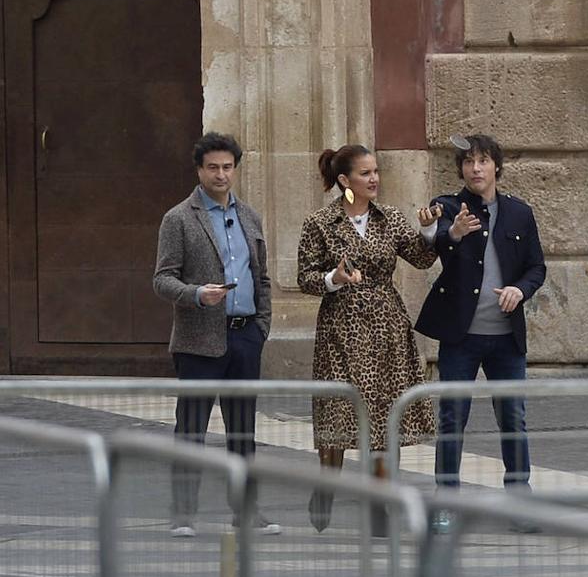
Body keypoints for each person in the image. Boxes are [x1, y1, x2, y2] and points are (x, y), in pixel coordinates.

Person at [297, 144, 442, 531]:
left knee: (384, 413)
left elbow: (423, 258)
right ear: (344, 180)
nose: (374, 178)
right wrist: (334, 279)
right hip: (340, 326)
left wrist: (430, 231)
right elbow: (305, 277)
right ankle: (326, 487)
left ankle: (379, 502)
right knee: (339, 408)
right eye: (365, 173)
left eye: (375, 171)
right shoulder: (321, 222)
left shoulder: (390, 218)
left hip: (386, 325)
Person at [415, 134, 546, 531]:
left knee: (513, 417)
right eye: (468, 162)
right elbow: (435, 247)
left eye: (483, 161)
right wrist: (450, 232)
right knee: (452, 417)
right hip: (461, 336)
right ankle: (445, 502)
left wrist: (519, 291)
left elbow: (536, 268)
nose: (475, 169)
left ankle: (520, 501)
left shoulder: (520, 214)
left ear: (496, 168)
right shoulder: (450, 206)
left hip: (506, 338)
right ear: (461, 170)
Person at [153, 132, 279, 538]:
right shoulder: (179, 218)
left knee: (243, 430)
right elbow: (162, 279)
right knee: (191, 428)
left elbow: (261, 276)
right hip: (198, 338)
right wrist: (195, 295)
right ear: (199, 170)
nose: (221, 174)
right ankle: (183, 512)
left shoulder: (250, 217)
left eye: (227, 167)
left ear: (235, 169)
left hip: (245, 335)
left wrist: (262, 325)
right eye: (213, 168)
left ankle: (246, 510)